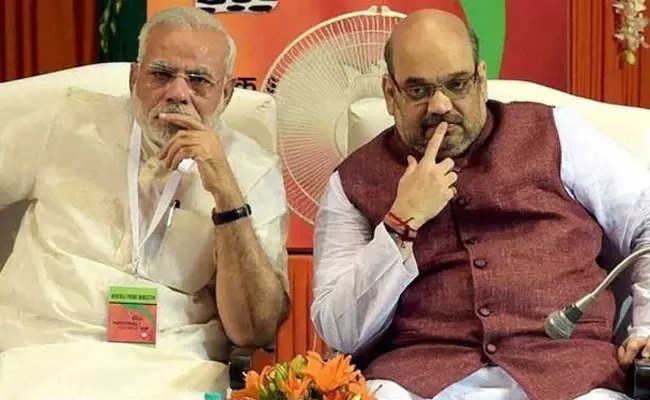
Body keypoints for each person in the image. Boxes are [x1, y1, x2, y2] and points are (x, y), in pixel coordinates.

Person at [311, 9, 650, 400]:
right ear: (390, 94)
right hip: (415, 381)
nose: (440, 105)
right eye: (419, 91)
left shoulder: (559, 135)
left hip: (571, 376)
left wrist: (646, 328)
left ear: (481, 80)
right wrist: (400, 223)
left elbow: (645, 220)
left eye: (456, 84)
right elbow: (340, 331)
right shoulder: (352, 182)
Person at [0, 6, 289, 398]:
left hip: (174, 372)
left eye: (199, 80)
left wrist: (227, 196)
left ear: (226, 93)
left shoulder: (250, 169)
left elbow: (254, 329)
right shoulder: (65, 122)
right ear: (134, 78)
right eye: (161, 74)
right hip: (42, 357)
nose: (177, 93)